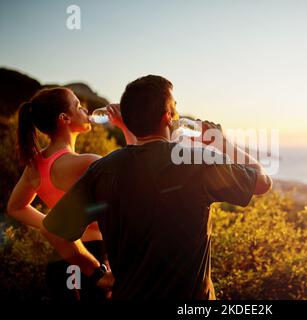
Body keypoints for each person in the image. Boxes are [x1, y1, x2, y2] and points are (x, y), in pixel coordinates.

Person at [41, 75, 272, 300]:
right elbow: (262, 182)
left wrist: (96, 273)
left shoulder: (103, 170)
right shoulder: (197, 162)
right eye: (174, 107)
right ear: (167, 117)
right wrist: (222, 143)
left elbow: (53, 229)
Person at [7, 87, 136, 300]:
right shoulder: (86, 162)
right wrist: (124, 126)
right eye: (78, 106)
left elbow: (15, 207)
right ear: (64, 118)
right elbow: (137, 171)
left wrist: (51, 226)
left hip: (59, 261)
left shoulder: (35, 164)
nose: (85, 110)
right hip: (92, 257)